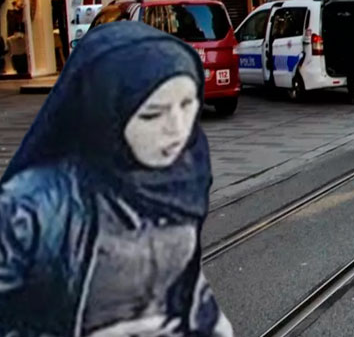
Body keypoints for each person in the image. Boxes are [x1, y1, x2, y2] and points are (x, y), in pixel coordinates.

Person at [0, 21, 233, 336]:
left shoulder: (185, 170)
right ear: (104, 112)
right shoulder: (27, 209)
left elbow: (185, 287)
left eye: (188, 104)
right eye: (152, 113)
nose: (177, 129)